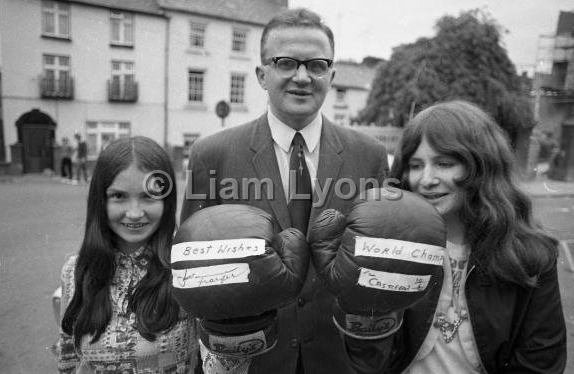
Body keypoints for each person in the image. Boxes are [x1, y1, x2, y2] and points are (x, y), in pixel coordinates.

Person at [181, 7, 389, 374]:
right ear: (262, 74)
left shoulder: (369, 155)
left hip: (339, 359)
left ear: (332, 74)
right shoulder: (212, 155)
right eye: (287, 62)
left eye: (317, 65)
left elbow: (381, 262)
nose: (303, 77)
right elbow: (190, 268)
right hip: (251, 361)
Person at [342, 100, 567, 373]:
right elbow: (370, 362)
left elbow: (541, 363)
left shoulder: (531, 254)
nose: (426, 179)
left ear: (482, 166)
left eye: (444, 163)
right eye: (415, 165)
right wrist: (358, 307)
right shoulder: (391, 244)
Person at [57, 136, 199, 373]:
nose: (134, 213)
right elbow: (68, 360)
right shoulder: (74, 270)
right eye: (119, 196)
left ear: (167, 201)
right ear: (100, 200)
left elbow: (217, 358)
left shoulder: (187, 269)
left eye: (148, 196)